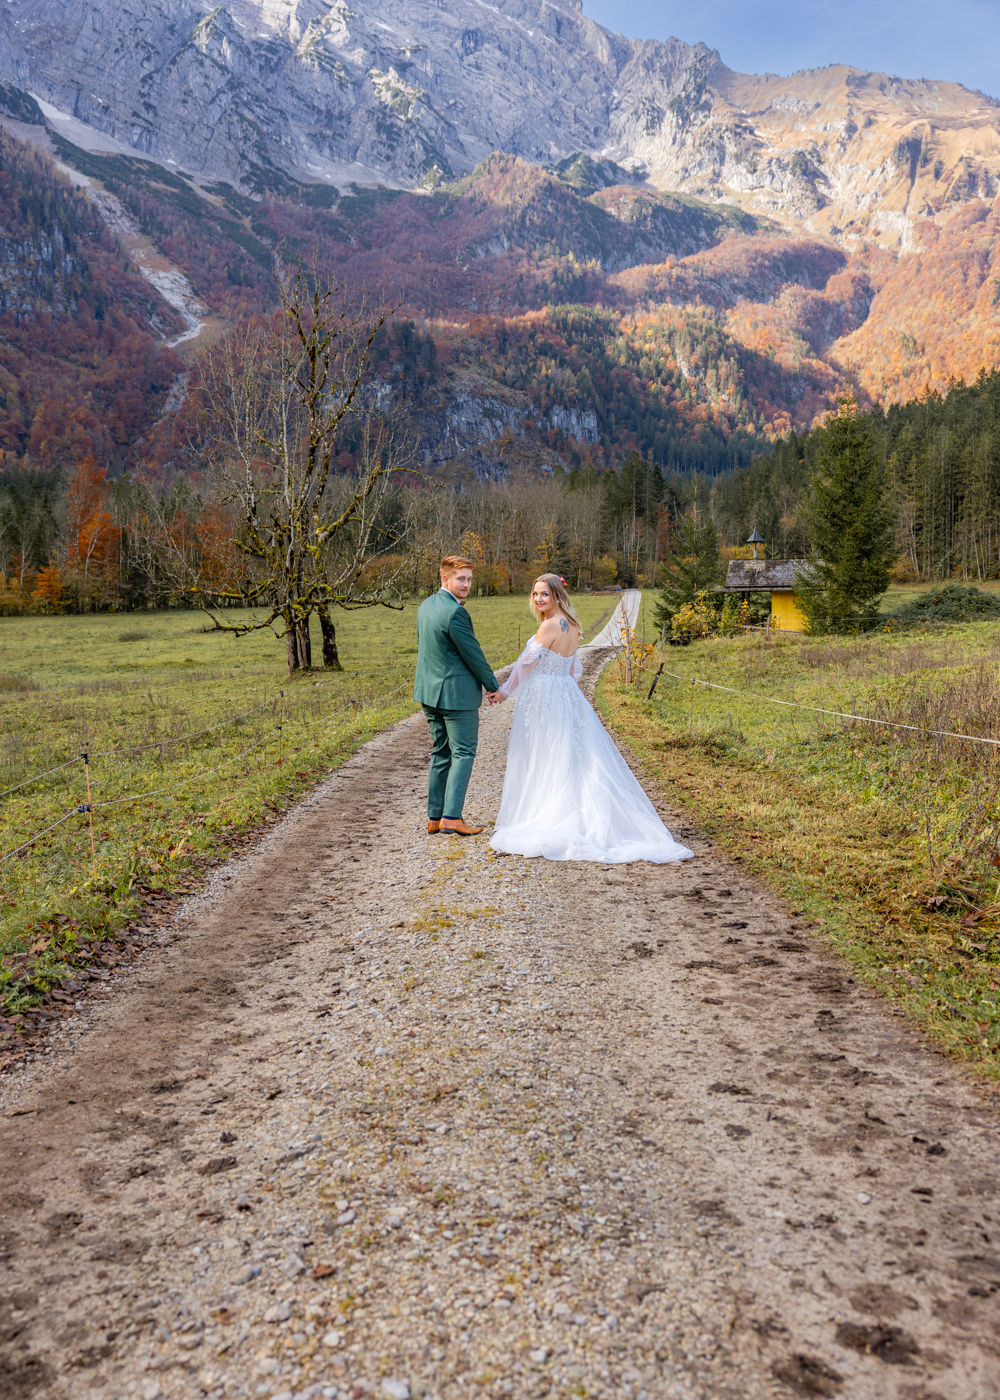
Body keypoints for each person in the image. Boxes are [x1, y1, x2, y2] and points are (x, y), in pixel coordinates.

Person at [488, 574, 693, 864]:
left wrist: (505, 692)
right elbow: (573, 668)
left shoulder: (549, 625)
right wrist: (563, 690)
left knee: (548, 751)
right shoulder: (572, 624)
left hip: (547, 694)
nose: (539, 599)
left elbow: (526, 665)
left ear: (557, 595)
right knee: (569, 753)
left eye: (545, 594)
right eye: (535, 594)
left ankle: (552, 812)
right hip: (565, 692)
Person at [413, 555, 499, 835]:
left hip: (429, 693)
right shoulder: (455, 612)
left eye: (470, 579)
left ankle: (434, 818)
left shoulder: (426, 606)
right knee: (463, 752)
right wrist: (492, 685)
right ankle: (451, 818)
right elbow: (472, 654)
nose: (466, 584)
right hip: (455, 696)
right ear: (445, 579)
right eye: (461, 578)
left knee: (441, 751)